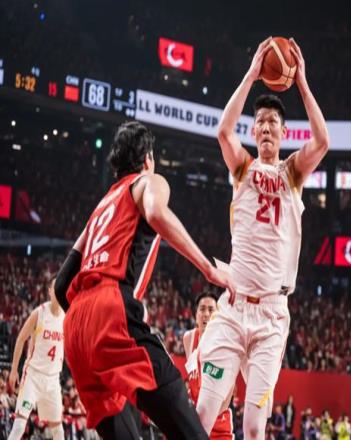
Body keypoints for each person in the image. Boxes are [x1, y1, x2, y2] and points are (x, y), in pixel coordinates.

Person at [54, 121, 236, 440]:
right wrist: (209, 269)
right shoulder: (147, 181)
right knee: (179, 410)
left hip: (76, 331)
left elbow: (60, 285)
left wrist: (89, 326)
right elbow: (155, 213)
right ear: (148, 158)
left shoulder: (100, 209)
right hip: (109, 308)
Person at [195, 37, 329, 440]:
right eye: (261, 122)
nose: (267, 127)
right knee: (202, 413)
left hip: (271, 315)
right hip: (234, 308)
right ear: (254, 130)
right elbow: (223, 131)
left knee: (254, 428)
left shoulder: (293, 173)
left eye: (274, 123)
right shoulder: (243, 168)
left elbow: (322, 142)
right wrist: (252, 74)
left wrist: (302, 83)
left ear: (284, 132)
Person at [8, 276, 65, 440]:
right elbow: (20, 339)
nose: (58, 291)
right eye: (55, 288)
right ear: (49, 291)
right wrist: (14, 370)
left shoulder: (67, 316)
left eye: (61, 288)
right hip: (33, 376)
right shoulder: (39, 313)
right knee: (19, 426)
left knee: (59, 432)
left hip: (53, 379)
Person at [183, 292, 234, 439]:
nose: (206, 314)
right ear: (196, 315)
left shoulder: (227, 345)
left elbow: (226, 401)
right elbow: (192, 381)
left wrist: (202, 416)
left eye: (211, 310)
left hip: (218, 422)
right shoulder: (189, 338)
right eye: (202, 309)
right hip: (194, 419)